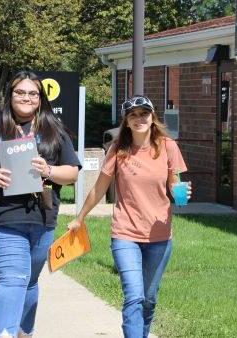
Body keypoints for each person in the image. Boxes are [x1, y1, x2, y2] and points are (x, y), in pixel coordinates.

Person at [0, 71, 81, 338]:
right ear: (10, 95)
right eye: (20, 92)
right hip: (0, 216)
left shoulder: (52, 128)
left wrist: (48, 170)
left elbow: (71, 173)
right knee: (12, 278)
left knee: (30, 280)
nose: (26, 98)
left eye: (32, 93)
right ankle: (6, 334)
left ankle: (25, 331)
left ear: (40, 98)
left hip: (42, 220)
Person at [68, 95, 192, 338]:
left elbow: (176, 187)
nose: (139, 119)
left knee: (149, 299)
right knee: (134, 296)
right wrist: (79, 217)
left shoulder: (168, 147)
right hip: (125, 234)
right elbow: (99, 188)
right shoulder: (118, 149)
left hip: (159, 236)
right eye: (133, 115)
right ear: (126, 121)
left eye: (144, 114)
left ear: (152, 117)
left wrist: (182, 193)